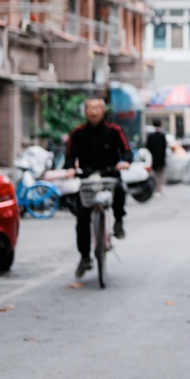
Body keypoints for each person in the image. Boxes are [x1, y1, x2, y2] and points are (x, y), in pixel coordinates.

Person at [65, 96, 131, 278]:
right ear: (85, 112)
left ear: (103, 111)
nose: (94, 112)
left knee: (119, 190)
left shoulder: (114, 131)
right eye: (90, 108)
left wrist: (125, 162)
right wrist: (70, 168)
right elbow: (70, 156)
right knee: (82, 218)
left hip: (109, 176)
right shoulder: (78, 133)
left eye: (97, 108)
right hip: (87, 179)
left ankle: (119, 221)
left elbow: (126, 151)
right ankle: (85, 257)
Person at [146, 118, 168, 198]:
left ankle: (156, 190)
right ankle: (159, 190)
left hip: (153, 160)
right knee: (159, 176)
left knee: (154, 175)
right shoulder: (162, 136)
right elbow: (165, 148)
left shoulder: (151, 136)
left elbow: (148, 147)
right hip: (160, 159)